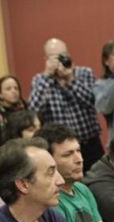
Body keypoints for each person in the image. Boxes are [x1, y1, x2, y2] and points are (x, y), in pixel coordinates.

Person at [28, 38, 104, 171]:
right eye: (54, 57)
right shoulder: (40, 80)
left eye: (62, 55)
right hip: (60, 150)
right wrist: (47, 76)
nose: (59, 60)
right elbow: (33, 110)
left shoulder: (84, 73)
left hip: (90, 143)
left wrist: (70, 80)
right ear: (46, 59)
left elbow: (92, 102)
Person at [0, 74, 28, 157]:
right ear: (0, 94)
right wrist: (3, 155)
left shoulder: (27, 113)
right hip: (5, 160)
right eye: (8, 89)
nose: (14, 91)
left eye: (16, 88)